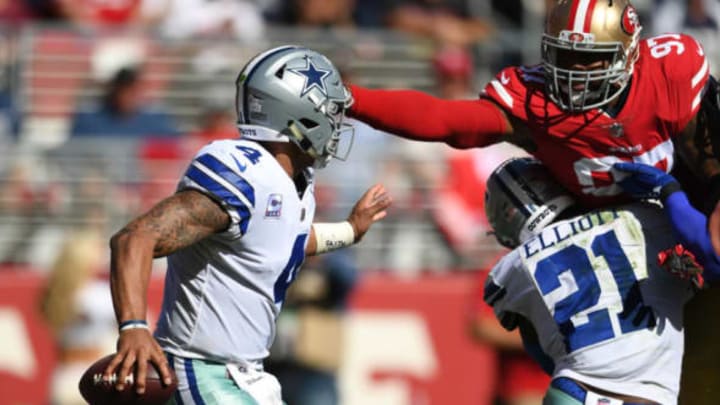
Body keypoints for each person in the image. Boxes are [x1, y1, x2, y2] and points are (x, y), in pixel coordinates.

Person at [101, 46, 392, 404]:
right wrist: (133, 328)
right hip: (201, 368)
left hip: (246, 373)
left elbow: (282, 241)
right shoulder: (245, 171)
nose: (337, 123)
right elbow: (134, 238)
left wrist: (350, 230)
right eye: (329, 111)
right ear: (297, 114)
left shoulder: (292, 180)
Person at [346, 0, 720, 213]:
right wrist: (351, 99)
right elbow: (446, 120)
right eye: (565, 55)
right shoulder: (534, 101)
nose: (575, 70)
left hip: (689, 226)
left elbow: (712, 170)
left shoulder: (668, 72)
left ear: (629, 53)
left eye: (590, 58)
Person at [481, 157, 719, 404]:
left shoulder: (514, 267)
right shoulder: (644, 218)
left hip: (569, 391)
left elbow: (539, 350)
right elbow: (712, 257)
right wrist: (670, 192)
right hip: (640, 395)